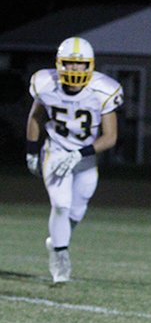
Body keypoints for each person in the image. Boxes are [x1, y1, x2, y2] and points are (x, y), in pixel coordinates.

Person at [25, 37, 124, 284]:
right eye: (69, 64)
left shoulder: (103, 89)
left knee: (78, 209)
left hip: (86, 156)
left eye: (79, 65)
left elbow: (110, 137)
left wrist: (81, 153)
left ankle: (57, 240)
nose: (74, 69)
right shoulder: (46, 83)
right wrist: (31, 150)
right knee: (61, 204)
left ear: (90, 65)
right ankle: (60, 257)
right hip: (56, 152)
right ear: (59, 64)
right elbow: (35, 118)